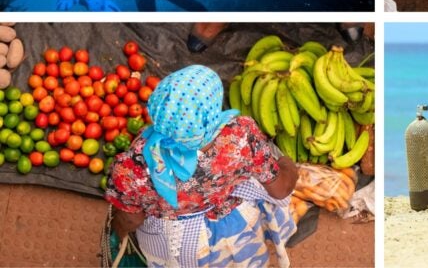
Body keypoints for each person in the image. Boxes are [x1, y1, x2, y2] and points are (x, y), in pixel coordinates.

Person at [105, 65, 298, 267]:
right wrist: (287, 164)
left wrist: (116, 233)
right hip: (232, 228)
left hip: (175, 242)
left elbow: (131, 219)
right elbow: (280, 189)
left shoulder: (132, 164)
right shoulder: (240, 135)